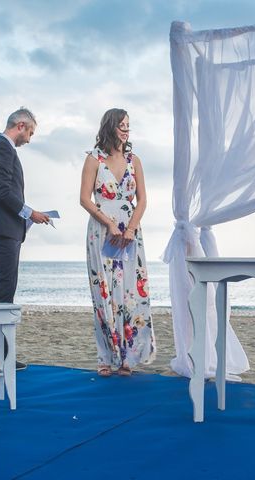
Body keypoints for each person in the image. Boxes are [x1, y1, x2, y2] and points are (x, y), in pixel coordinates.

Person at [79, 108, 155, 377]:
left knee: (129, 293)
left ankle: (127, 358)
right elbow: (85, 199)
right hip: (101, 232)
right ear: (110, 127)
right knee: (104, 295)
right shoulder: (94, 159)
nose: (125, 130)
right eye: (121, 126)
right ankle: (105, 358)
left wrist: (130, 228)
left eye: (128, 126)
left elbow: (142, 199)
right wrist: (109, 223)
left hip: (130, 233)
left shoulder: (135, 160)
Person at [0, 108, 49, 372]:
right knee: (4, 293)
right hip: (3, 231)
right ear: (20, 125)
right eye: (30, 132)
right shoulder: (2, 148)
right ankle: (0, 356)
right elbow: (2, 192)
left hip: (2, 229)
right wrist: (30, 213)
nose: (29, 139)